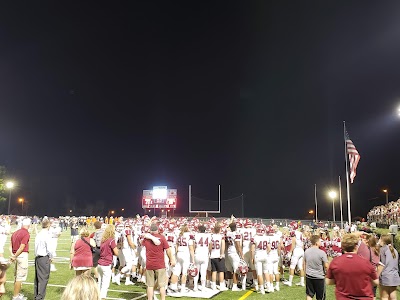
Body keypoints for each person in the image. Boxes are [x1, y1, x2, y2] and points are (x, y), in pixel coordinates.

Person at [326, 233, 379, 300]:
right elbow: (376, 282)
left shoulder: (335, 262)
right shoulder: (366, 263)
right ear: (356, 247)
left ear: (342, 247)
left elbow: (328, 281)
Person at [142, 222, 175, 300]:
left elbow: (142, 244)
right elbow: (168, 250)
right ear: (158, 229)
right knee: (162, 286)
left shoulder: (146, 239)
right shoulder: (162, 238)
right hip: (160, 264)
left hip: (149, 263)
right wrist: (171, 259)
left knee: (150, 285)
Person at [9, 218, 31, 300]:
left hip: (15, 254)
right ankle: (15, 296)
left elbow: (10, 246)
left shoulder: (15, 233)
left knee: (17, 277)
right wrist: (15, 256)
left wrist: (13, 255)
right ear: (28, 225)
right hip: (22, 255)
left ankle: (17, 294)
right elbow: (22, 247)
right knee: (20, 277)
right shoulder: (26, 233)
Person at [304, 234, 329, 300]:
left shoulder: (306, 251)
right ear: (316, 243)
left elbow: (304, 263)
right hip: (319, 277)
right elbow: (326, 266)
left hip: (309, 275)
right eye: (319, 241)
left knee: (309, 294)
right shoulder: (321, 253)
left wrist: (305, 273)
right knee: (320, 297)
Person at [98, 225, 118, 300]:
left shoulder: (103, 240)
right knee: (105, 283)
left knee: (100, 282)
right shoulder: (111, 240)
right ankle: (102, 297)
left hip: (100, 263)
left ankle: (97, 296)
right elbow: (116, 253)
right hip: (106, 263)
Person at [34, 218, 53, 300]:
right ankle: (40, 297)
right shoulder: (47, 235)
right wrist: (51, 257)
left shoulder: (39, 234)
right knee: (43, 278)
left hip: (37, 257)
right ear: (48, 225)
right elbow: (49, 248)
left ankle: (36, 295)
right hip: (44, 257)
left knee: (37, 278)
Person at [378, 234, 400, 300]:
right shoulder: (394, 250)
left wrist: (377, 275)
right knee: (393, 296)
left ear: (382, 241)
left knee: (384, 296)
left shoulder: (382, 250)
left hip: (386, 276)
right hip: (395, 276)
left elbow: (381, 264)